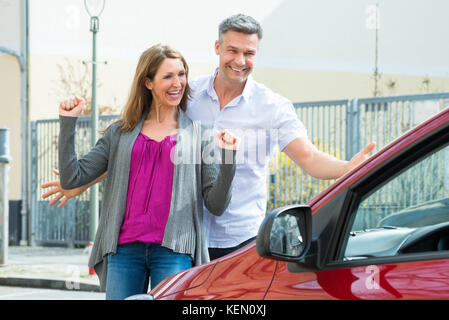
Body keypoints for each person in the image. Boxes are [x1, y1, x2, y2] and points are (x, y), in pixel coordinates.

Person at [43, 14, 374, 263]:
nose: (240, 61)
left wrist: (348, 167)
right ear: (218, 48)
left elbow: (309, 158)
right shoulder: (188, 93)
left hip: (241, 238)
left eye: (249, 53)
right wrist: (82, 182)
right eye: (232, 50)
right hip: (186, 236)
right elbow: (146, 143)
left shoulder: (272, 107)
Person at [56, 44, 239, 299]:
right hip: (124, 250)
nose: (178, 83)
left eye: (181, 74)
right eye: (168, 76)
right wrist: (68, 122)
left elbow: (216, 205)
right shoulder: (119, 134)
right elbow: (72, 177)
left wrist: (228, 158)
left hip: (174, 251)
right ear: (148, 83)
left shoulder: (199, 136)